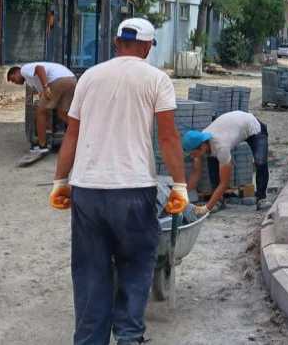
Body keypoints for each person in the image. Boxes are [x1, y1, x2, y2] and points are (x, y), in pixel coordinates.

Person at [48, 17, 188, 345]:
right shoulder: (157, 80)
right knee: (136, 267)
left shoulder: (89, 77)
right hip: (133, 191)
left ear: (116, 43)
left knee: (90, 273)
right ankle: (128, 337)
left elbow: (72, 133)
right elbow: (168, 138)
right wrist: (180, 185)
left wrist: (59, 181)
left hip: (88, 191)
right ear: (147, 46)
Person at [181, 110, 270, 212]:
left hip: (253, 126)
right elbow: (196, 173)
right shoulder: (199, 140)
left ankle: (261, 198)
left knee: (260, 161)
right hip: (235, 125)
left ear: (201, 146)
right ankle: (219, 200)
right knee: (212, 159)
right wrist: (182, 195)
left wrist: (206, 209)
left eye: (193, 154)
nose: (193, 156)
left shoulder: (221, 146)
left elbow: (224, 183)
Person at [7, 61, 77, 152]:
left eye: (13, 79)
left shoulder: (24, 70)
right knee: (63, 113)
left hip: (58, 80)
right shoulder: (31, 80)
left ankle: (42, 145)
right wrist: (44, 91)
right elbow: (43, 95)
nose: (14, 82)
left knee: (40, 112)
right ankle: (82, 134)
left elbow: (39, 68)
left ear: (16, 72)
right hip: (71, 79)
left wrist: (45, 86)